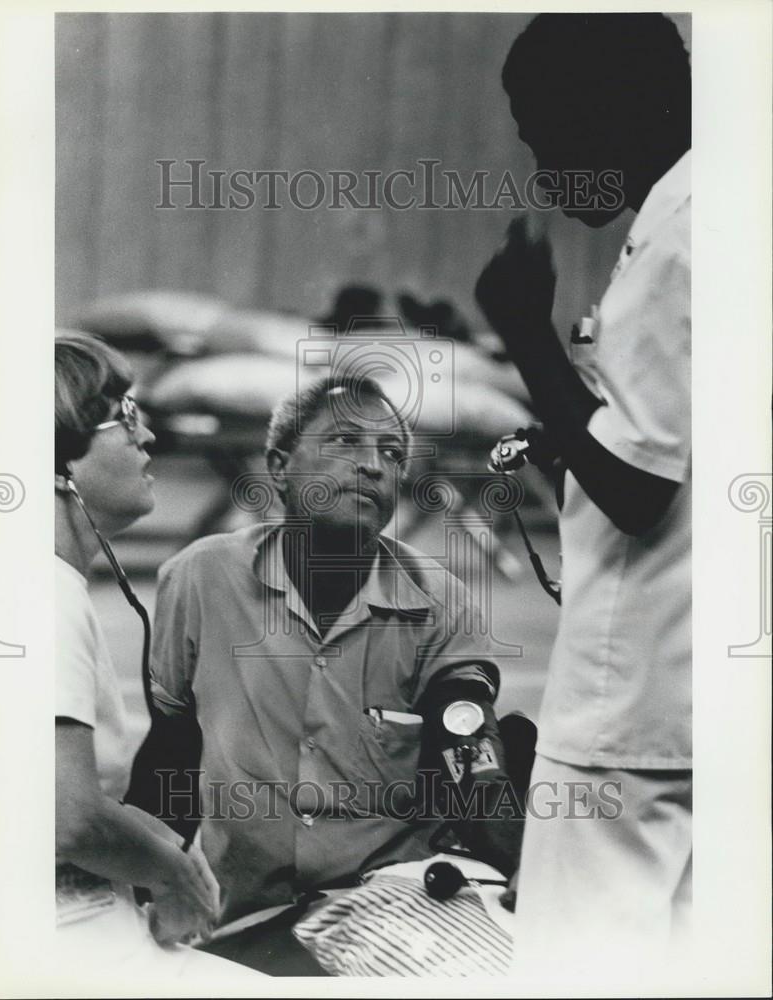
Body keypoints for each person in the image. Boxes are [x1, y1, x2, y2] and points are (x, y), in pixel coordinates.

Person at [142, 373, 522, 929]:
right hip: (242, 918)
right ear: (278, 466)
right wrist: (145, 887)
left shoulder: (440, 601)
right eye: (345, 442)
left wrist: (522, 866)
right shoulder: (200, 579)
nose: (372, 464)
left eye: (391, 453)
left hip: (392, 911)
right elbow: (169, 750)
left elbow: (466, 746)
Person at [474, 13, 692, 979]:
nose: (544, 176)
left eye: (546, 136)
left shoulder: (680, 249)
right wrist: (568, 437)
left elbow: (641, 491)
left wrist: (525, 335)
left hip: (630, 717)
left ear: (620, 111)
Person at [54, 332, 260, 990]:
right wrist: (172, 870)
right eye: (126, 417)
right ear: (58, 456)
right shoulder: (41, 594)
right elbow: (67, 818)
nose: (150, 441)